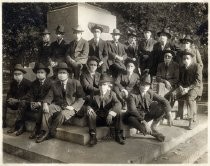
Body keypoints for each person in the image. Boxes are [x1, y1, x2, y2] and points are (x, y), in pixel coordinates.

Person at [36, 62, 85, 143]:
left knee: (62, 114)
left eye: (63, 73)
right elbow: (49, 96)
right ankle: (44, 131)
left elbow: (81, 98)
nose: (61, 75)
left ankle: (51, 132)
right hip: (60, 105)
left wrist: (73, 107)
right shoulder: (55, 84)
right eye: (59, 73)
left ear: (68, 74)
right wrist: (45, 104)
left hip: (72, 107)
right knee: (47, 108)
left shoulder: (75, 83)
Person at [123, 73, 173, 142]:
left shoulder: (149, 92)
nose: (145, 87)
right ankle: (154, 134)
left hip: (144, 115)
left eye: (147, 85)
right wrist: (144, 122)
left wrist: (169, 114)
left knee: (161, 106)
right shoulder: (132, 94)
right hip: (134, 116)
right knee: (133, 120)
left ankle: (153, 127)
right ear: (139, 84)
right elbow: (133, 110)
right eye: (143, 85)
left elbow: (164, 100)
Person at [85, 74, 125, 146]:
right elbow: (88, 104)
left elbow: (119, 104)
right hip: (97, 119)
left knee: (119, 112)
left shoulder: (112, 94)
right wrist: (89, 108)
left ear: (108, 86)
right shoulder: (94, 93)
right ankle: (93, 137)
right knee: (91, 113)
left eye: (104, 85)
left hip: (108, 119)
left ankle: (118, 135)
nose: (102, 87)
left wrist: (111, 113)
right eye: (100, 85)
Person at [19, 63, 52, 139]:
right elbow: (30, 94)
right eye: (38, 72)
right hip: (34, 103)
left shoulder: (50, 83)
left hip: (44, 104)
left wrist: (39, 103)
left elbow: (49, 97)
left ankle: (37, 128)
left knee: (43, 105)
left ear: (46, 73)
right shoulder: (34, 83)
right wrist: (31, 102)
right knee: (23, 103)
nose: (39, 74)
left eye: (42, 72)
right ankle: (21, 125)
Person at [170, 51, 203, 130]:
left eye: (187, 58)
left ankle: (190, 120)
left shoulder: (197, 66)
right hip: (184, 87)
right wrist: (180, 86)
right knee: (173, 94)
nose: (185, 60)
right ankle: (168, 115)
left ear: (191, 59)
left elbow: (198, 81)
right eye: (184, 59)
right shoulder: (181, 67)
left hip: (195, 87)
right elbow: (179, 80)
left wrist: (187, 89)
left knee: (190, 98)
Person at [4, 64, 31, 133]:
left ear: (22, 74)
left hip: (25, 103)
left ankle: (19, 126)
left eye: (19, 74)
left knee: (22, 104)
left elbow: (29, 96)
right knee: (3, 103)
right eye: (15, 74)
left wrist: (17, 100)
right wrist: (10, 99)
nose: (17, 75)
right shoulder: (13, 83)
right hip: (15, 102)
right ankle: (3, 122)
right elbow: (9, 93)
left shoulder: (28, 83)